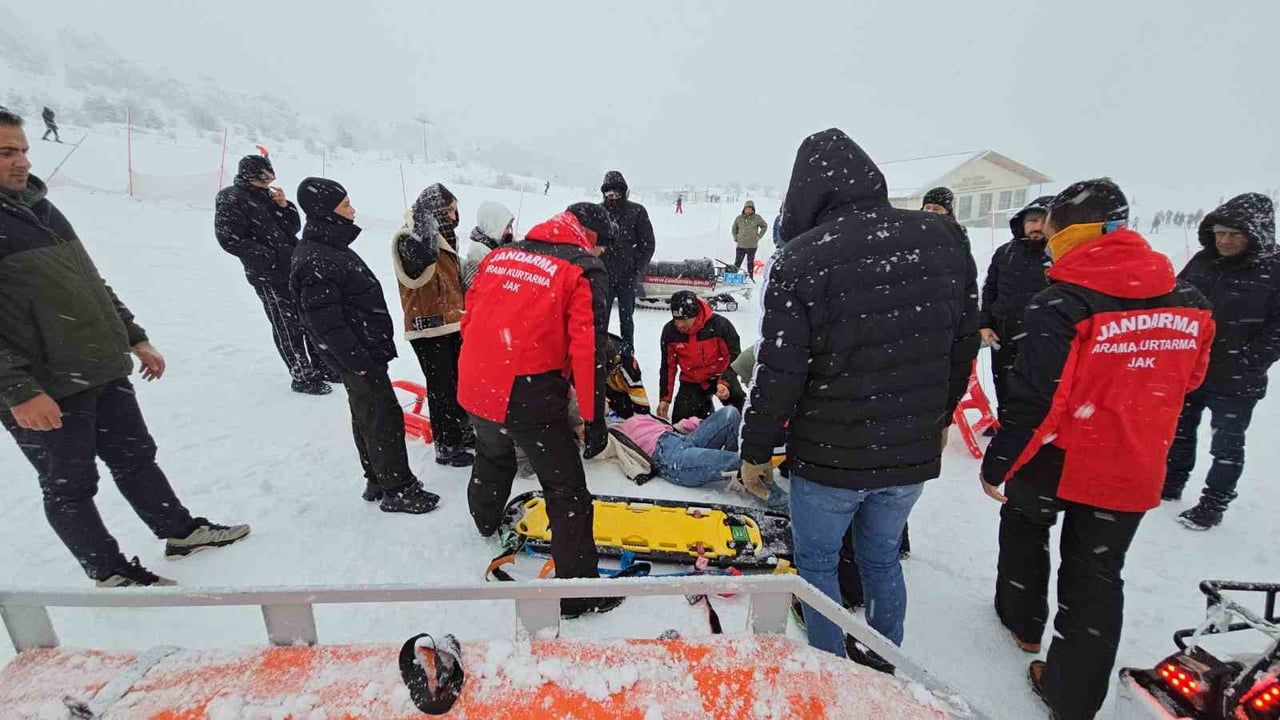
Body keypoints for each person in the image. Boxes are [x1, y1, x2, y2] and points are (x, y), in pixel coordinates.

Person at [739, 128, 979, 665]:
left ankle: (833, 671)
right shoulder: (944, 240)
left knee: (817, 564)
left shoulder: (800, 260)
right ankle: (883, 659)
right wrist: (940, 416)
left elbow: (779, 373)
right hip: (909, 454)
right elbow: (962, 344)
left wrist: (754, 452)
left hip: (830, 460)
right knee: (881, 558)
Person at [981, 179, 1214, 720]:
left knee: (1024, 525)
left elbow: (1039, 401)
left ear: (1071, 233)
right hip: (1133, 459)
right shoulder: (1191, 301)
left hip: (1057, 456)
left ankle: (1023, 619)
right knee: (1097, 576)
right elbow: (1192, 378)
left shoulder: (1062, 303)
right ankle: (1073, 695)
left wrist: (1000, 463)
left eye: (1053, 231)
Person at [0, 107, 250, 587]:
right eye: (7, 152)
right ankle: (110, 571)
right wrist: (18, 391)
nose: (23, 162)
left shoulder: (41, 209)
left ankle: (179, 531)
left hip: (98, 365)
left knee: (136, 457)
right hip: (44, 385)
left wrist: (134, 337)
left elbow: (90, 283)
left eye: (24, 150)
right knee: (70, 484)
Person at [459, 208, 622, 619]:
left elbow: (471, 317)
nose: (600, 254)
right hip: (529, 391)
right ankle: (578, 593)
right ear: (590, 236)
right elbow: (588, 350)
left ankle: (484, 519)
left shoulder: (502, 255)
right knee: (566, 490)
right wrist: (594, 418)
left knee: (492, 452)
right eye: (601, 246)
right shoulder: (580, 270)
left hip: (478, 379)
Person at [290, 176, 440, 514]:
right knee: (382, 419)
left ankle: (378, 478)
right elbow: (325, 322)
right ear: (325, 211)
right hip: (357, 355)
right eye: (345, 205)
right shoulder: (317, 257)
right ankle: (399, 489)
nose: (352, 211)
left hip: (362, 352)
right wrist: (358, 360)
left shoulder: (329, 247)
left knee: (367, 416)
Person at [1163, 193, 1279, 530]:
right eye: (1220, 233)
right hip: (1192, 369)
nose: (1225, 241)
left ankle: (1213, 504)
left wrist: (1249, 360)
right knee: (1179, 432)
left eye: (1234, 234)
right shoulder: (1203, 261)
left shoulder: (1274, 269)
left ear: (1254, 234)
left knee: (1226, 445)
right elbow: (1176, 298)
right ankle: (1170, 484)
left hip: (1238, 377)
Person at [214, 155, 331, 395]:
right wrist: (267, 256)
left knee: (309, 317)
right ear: (249, 176)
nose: (268, 183)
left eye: (270, 178)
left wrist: (284, 206)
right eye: (263, 179)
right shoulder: (231, 198)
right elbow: (228, 239)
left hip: (293, 266)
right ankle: (303, 376)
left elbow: (293, 227)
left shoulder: (268, 196)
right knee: (287, 324)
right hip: (267, 274)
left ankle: (323, 365)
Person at [393, 183, 474, 467]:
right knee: (442, 388)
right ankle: (447, 445)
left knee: (458, 382)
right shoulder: (408, 238)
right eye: (449, 210)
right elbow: (423, 259)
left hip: (451, 323)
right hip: (427, 327)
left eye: (455, 211)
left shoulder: (443, 238)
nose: (453, 217)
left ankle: (462, 433)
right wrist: (424, 220)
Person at [613, 406, 788, 511]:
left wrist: (697, 424)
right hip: (670, 459)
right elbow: (603, 448)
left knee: (731, 413)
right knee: (742, 461)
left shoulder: (644, 417)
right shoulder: (614, 432)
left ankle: (737, 474)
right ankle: (781, 502)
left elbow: (674, 427)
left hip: (683, 440)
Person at [980, 196, 1054, 415]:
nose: (1037, 226)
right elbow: (990, 289)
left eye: (1043, 221)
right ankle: (1006, 424)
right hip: (1003, 339)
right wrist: (984, 324)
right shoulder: (1005, 253)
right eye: (1032, 220)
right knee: (1004, 390)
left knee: (1038, 398)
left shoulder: (1059, 255)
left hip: (1042, 342)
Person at [658, 291, 745, 424]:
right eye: (676, 319)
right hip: (691, 380)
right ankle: (705, 409)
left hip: (720, 376)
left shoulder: (720, 325)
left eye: (684, 319)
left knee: (740, 412)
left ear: (696, 314)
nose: (680, 324)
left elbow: (734, 357)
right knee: (680, 423)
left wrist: (725, 381)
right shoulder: (670, 332)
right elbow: (668, 366)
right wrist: (665, 398)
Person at [599, 171, 655, 352]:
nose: (614, 198)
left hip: (627, 278)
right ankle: (598, 354)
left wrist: (636, 270)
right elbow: (589, 242)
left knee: (627, 320)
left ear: (624, 192)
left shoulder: (637, 212)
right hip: (603, 278)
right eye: (609, 194)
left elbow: (648, 244)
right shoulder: (599, 212)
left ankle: (628, 356)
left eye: (617, 193)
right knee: (600, 320)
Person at [462, 200, 514, 290]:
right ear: (493, 224)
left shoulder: (499, 244)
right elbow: (475, 285)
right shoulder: (479, 250)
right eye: (506, 227)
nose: (509, 231)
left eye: (510, 226)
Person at [731, 200, 768, 279]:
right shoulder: (739, 218)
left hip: (752, 246)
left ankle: (750, 278)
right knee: (737, 263)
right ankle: (733, 277)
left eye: (750, 209)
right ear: (744, 209)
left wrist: (759, 236)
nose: (748, 210)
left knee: (750, 263)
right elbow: (734, 229)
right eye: (747, 208)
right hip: (741, 245)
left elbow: (764, 226)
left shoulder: (757, 218)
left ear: (753, 210)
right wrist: (735, 237)